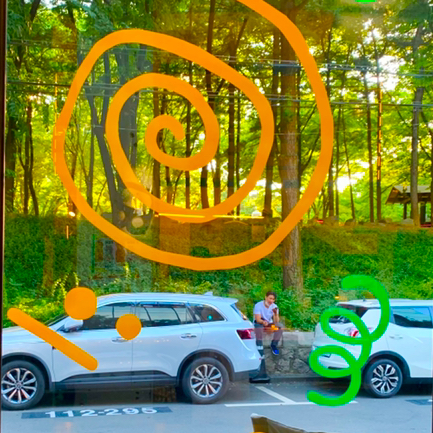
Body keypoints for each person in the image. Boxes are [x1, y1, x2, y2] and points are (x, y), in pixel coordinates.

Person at [253, 291, 283, 355]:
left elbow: (276, 322)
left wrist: (275, 314)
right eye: (270, 298)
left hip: (268, 324)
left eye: (273, 299)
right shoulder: (258, 305)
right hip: (260, 323)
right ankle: (259, 346)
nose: (271, 301)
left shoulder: (274, 306)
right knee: (259, 326)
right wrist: (263, 322)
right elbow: (258, 319)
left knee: (280, 327)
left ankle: (274, 345)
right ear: (266, 297)